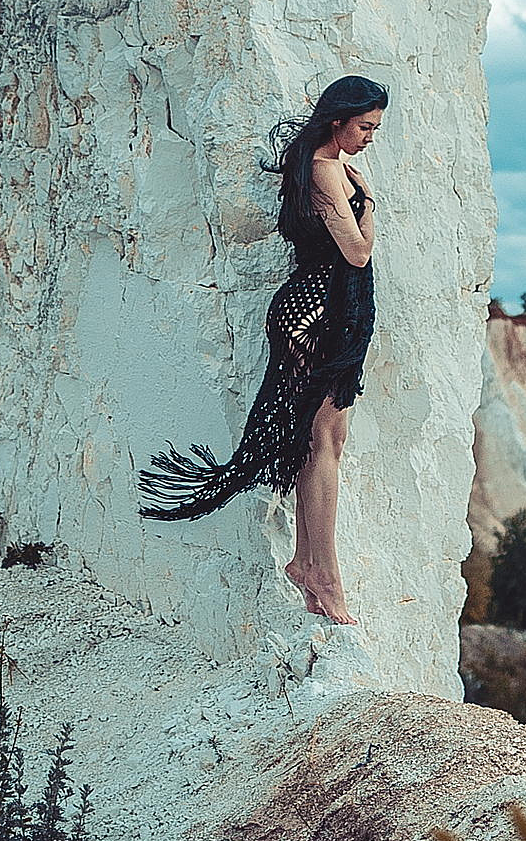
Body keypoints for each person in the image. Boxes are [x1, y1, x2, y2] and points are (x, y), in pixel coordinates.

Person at [139, 75, 385, 626]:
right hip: (316, 315)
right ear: (338, 119)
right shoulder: (326, 170)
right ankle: (323, 573)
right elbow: (358, 251)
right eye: (365, 127)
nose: (371, 137)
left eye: (374, 128)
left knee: (321, 439)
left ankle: (306, 560)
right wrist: (371, 206)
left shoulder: (325, 164)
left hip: (322, 312)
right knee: (324, 443)